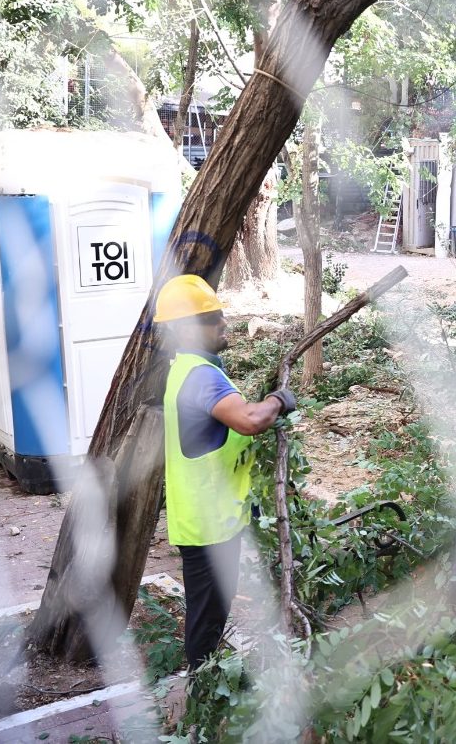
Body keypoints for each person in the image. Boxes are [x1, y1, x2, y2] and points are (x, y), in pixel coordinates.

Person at [154, 274, 296, 670]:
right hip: (206, 523)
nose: (223, 324)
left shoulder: (192, 368)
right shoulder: (200, 376)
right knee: (207, 618)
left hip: (211, 517)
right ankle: (200, 695)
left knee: (213, 608)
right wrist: (279, 400)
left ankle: (205, 681)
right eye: (211, 318)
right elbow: (249, 420)